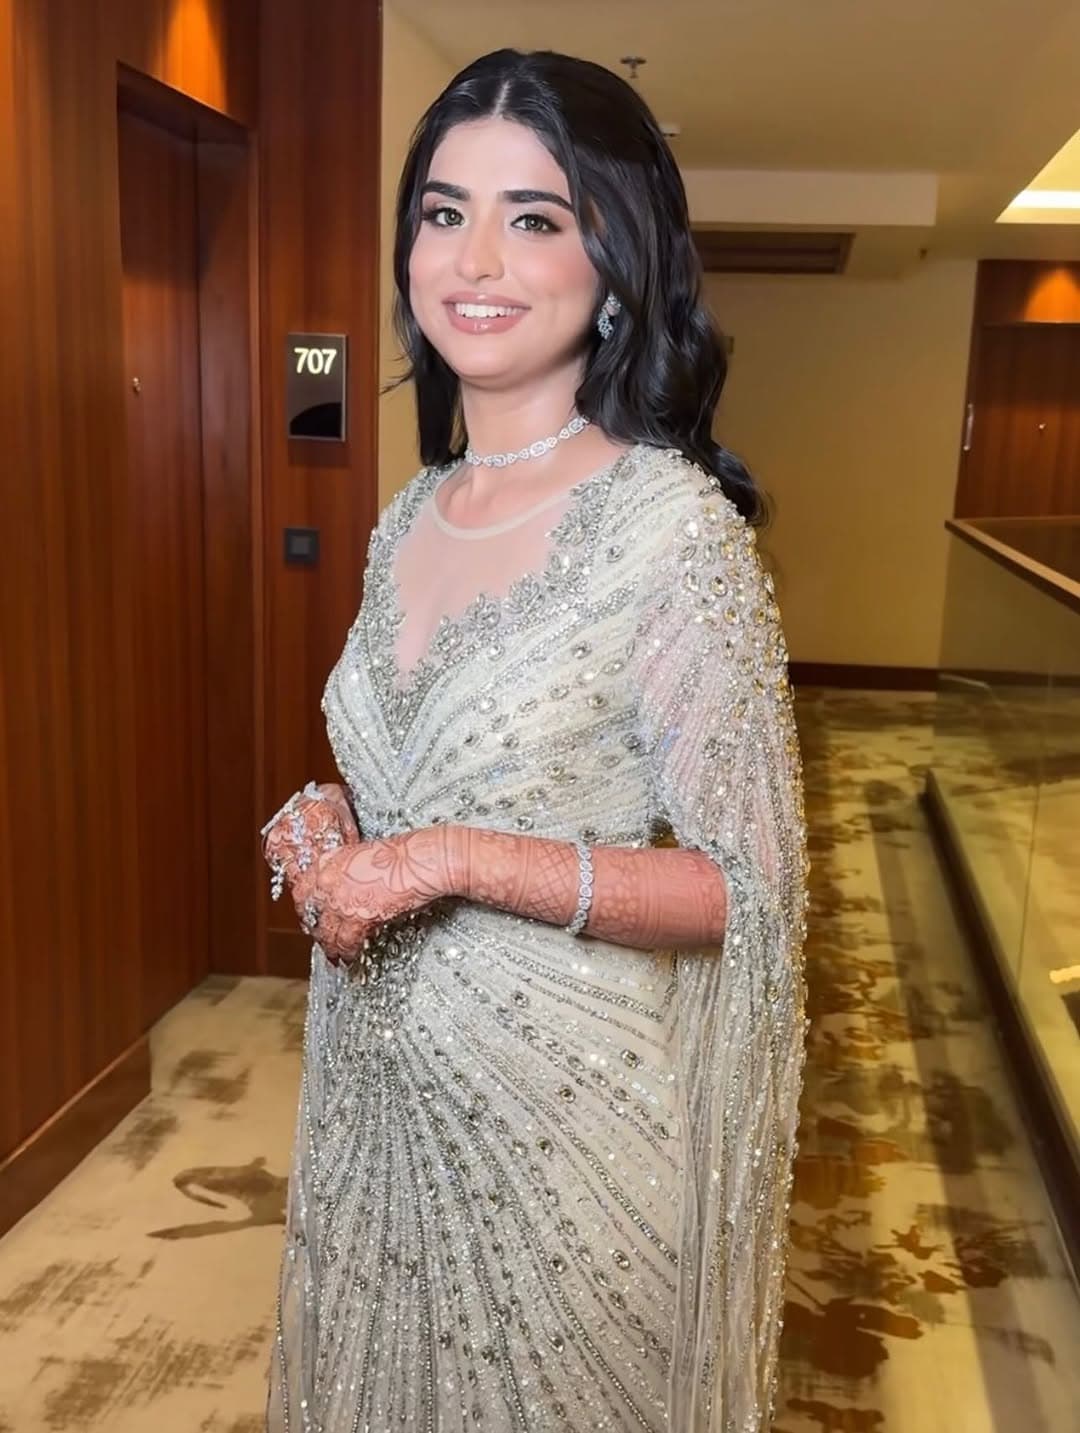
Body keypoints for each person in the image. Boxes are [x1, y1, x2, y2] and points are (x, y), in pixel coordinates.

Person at [260, 47, 809, 1433]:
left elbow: (746, 892)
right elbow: (421, 763)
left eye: (535, 217)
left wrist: (450, 859)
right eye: (444, 212)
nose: (476, 259)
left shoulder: (671, 532)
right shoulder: (410, 513)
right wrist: (340, 819)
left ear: (614, 264)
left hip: (563, 1125)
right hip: (376, 1105)